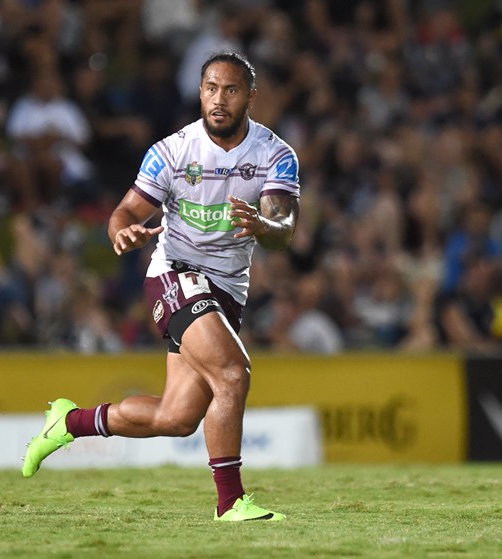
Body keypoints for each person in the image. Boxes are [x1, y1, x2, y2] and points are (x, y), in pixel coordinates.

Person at [22, 52, 300, 522]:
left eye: (231, 90)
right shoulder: (173, 151)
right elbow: (125, 212)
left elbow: (284, 226)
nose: (219, 99)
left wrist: (264, 226)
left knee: (177, 417)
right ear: (200, 92)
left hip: (227, 288)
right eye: (211, 88)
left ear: (251, 96)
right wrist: (121, 232)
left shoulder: (275, 154)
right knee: (233, 373)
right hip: (174, 272)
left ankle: (68, 421)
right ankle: (230, 503)